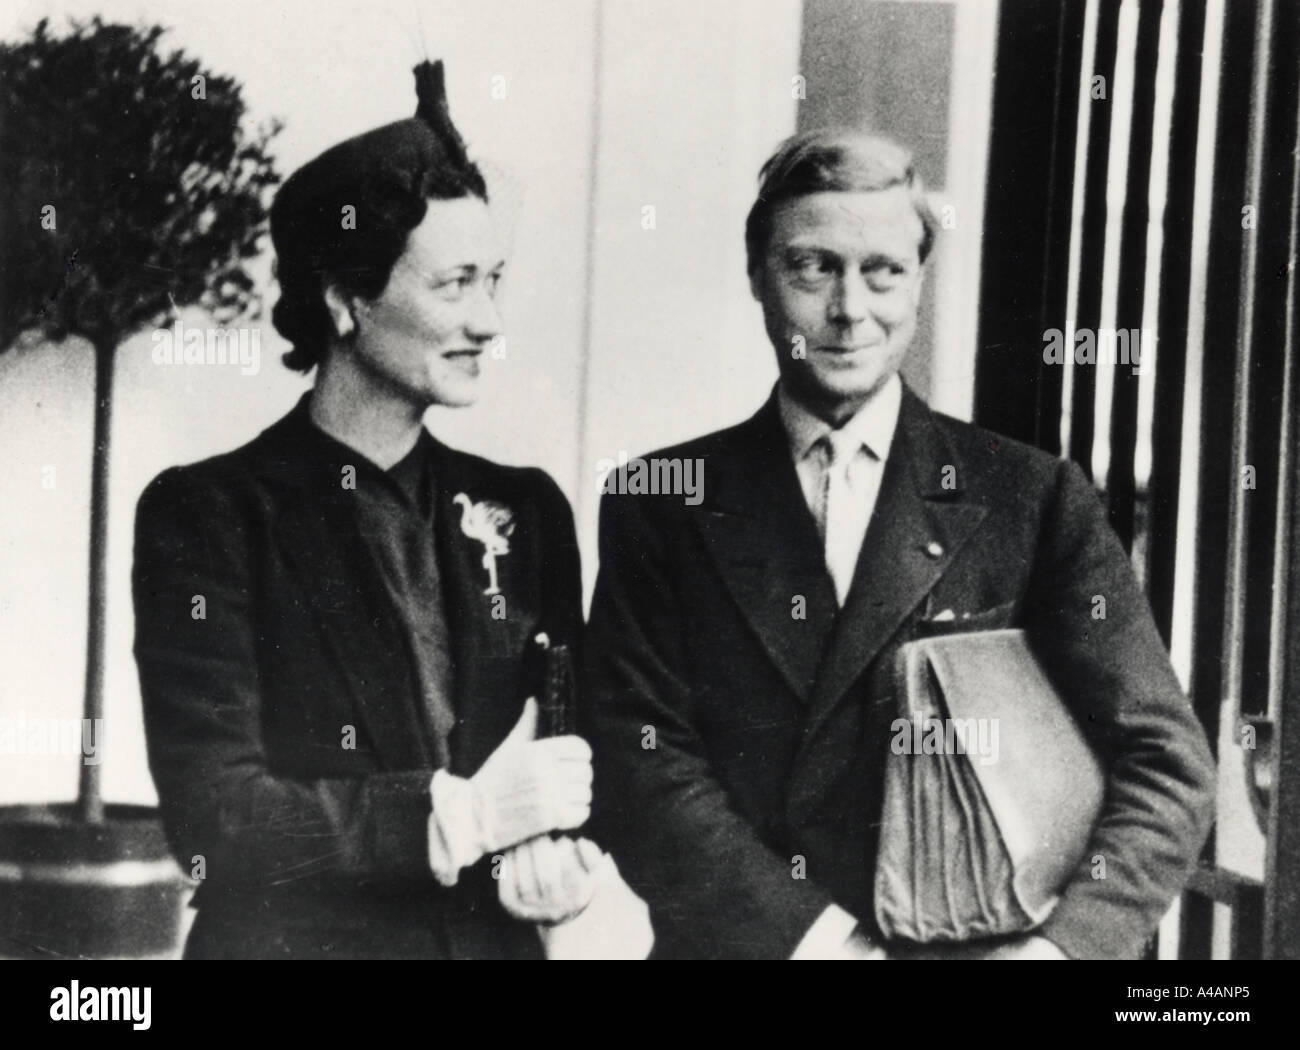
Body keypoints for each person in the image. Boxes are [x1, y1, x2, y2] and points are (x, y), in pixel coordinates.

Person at [582, 129, 1217, 960]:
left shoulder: (1031, 497)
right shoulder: (661, 501)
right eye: (813, 267)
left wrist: (1063, 950)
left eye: (882, 270)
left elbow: (1166, 761)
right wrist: (823, 946)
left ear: (919, 281)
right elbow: (640, 763)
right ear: (757, 278)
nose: (850, 310)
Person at [132, 61, 600, 959]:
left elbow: (567, 750)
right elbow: (214, 819)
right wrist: (454, 817)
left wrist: (556, 850)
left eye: (494, 279)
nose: (491, 320)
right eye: (455, 284)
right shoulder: (210, 514)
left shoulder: (526, 510)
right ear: (347, 301)